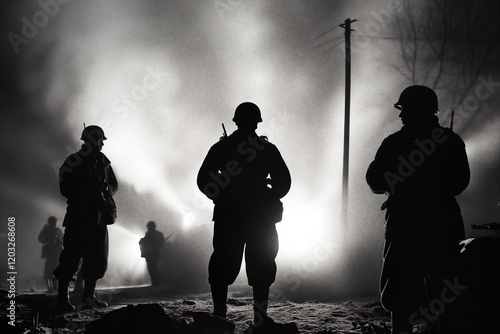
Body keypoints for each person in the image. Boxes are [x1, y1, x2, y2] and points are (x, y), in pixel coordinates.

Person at [366, 86, 470, 333]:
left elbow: (374, 181)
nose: (401, 116)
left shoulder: (394, 143)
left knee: (401, 287)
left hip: (404, 223)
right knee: (445, 289)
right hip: (443, 222)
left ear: (414, 110)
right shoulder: (450, 141)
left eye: (405, 110)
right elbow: (460, 182)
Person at [197, 102, 292, 329]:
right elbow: (284, 181)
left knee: (226, 265)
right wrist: (271, 192)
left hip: (231, 216)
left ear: (236, 121)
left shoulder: (222, 148)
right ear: (256, 122)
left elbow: (204, 180)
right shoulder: (266, 149)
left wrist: (220, 193)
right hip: (259, 217)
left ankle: (220, 317)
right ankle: (258, 320)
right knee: (260, 266)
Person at [54, 125, 118, 312]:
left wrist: (105, 192)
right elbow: (65, 188)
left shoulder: (103, 161)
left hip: (98, 218)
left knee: (96, 259)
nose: (102, 144)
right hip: (79, 216)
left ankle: (88, 298)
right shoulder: (73, 160)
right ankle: (62, 300)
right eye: (100, 141)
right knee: (71, 257)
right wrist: (86, 192)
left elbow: (113, 184)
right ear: (91, 140)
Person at [38, 216, 63, 291]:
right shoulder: (46, 230)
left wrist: (60, 242)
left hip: (57, 253)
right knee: (49, 270)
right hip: (50, 253)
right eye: (54, 222)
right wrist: (48, 239)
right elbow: (40, 238)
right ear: (50, 222)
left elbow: (61, 239)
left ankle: (55, 285)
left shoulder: (57, 230)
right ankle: (49, 286)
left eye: (55, 222)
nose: (55, 223)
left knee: (56, 269)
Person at [139, 221, 165, 287]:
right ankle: (155, 283)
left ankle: (156, 283)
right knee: (153, 268)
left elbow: (161, 244)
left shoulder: (151, 235)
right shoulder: (156, 234)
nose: (148, 228)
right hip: (152, 254)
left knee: (153, 268)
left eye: (149, 226)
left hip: (152, 254)